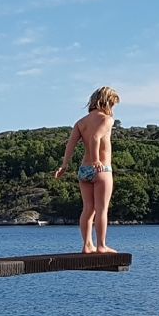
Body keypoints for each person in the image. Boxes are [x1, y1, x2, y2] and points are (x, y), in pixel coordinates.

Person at [54, 87, 120, 254]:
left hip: (84, 170)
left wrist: (64, 165)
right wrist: (97, 159)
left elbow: (70, 144)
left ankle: (87, 245)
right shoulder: (107, 120)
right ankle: (101, 245)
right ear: (108, 102)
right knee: (101, 209)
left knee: (87, 208)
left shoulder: (81, 122)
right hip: (101, 169)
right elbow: (95, 137)